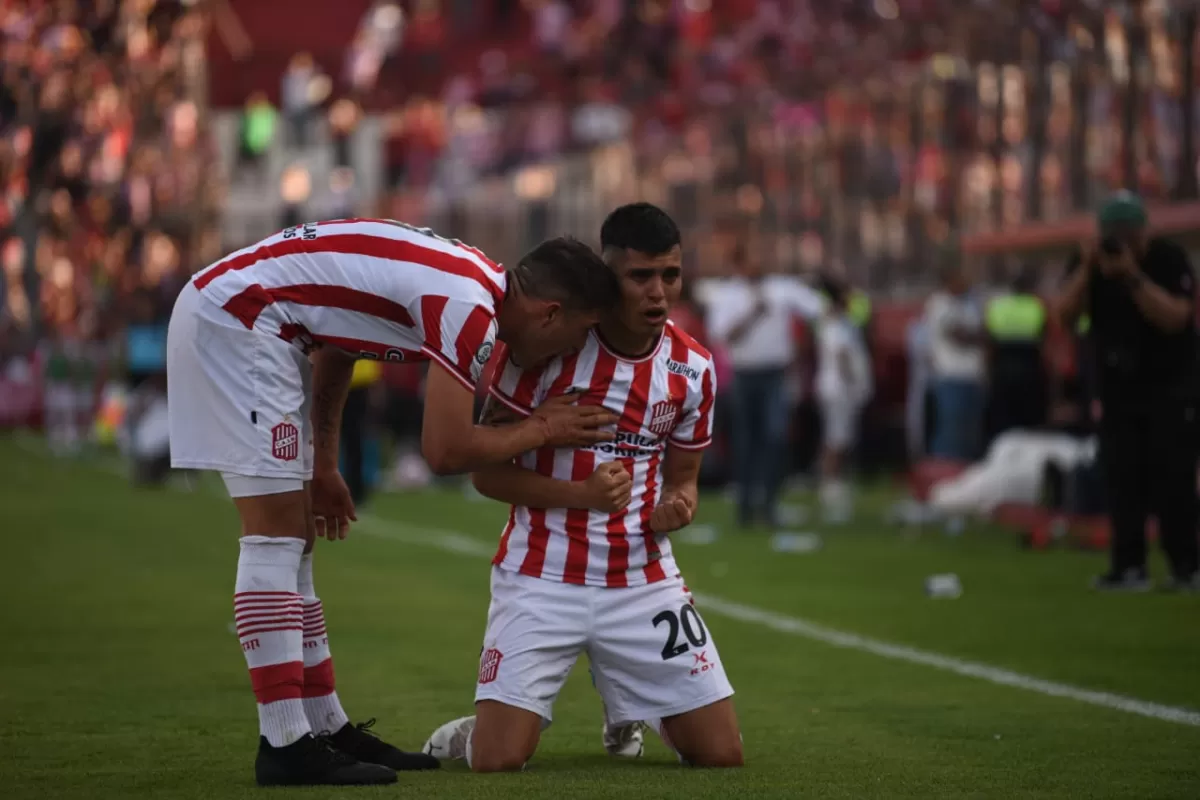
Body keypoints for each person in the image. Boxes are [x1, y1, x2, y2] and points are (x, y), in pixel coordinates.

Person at [166, 218, 621, 786]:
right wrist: (542, 430)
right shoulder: (471, 311)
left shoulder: (472, 283)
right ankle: (284, 742)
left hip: (251, 315)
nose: (572, 350)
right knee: (276, 534)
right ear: (550, 313)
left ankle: (323, 727)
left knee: (296, 537)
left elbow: (337, 344)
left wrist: (326, 463)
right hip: (241, 320)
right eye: (578, 335)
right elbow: (446, 450)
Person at [422, 203, 743, 770]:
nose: (658, 293)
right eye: (640, 277)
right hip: (541, 577)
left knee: (720, 755)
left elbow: (686, 480)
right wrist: (581, 495)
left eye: (670, 275)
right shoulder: (544, 349)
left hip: (641, 581)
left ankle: (632, 700)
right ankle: (475, 732)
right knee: (497, 761)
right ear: (607, 274)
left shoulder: (693, 369)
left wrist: (679, 506)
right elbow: (484, 472)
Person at [1055, 191, 1200, 592]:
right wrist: (1087, 270)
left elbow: (1176, 317)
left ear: (1143, 231)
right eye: (1113, 233)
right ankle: (1128, 565)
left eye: (1127, 233)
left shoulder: (1167, 260)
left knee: (1174, 478)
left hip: (1170, 384)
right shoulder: (1092, 261)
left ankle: (1186, 565)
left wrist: (1132, 276)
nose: (1121, 241)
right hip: (1117, 387)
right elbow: (1063, 316)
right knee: (1122, 479)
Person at [703, 241, 823, 527]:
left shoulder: (782, 288)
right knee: (744, 442)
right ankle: (744, 508)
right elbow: (721, 336)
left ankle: (769, 503)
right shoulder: (726, 294)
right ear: (740, 264)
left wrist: (806, 341)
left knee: (775, 437)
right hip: (744, 375)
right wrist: (753, 314)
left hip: (775, 373)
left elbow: (819, 309)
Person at [814, 277, 873, 523]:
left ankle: (834, 487)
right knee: (835, 440)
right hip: (839, 390)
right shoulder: (833, 326)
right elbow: (841, 356)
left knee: (841, 439)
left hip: (843, 390)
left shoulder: (845, 324)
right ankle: (830, 490)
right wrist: (851, 383)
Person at [924, 260, 986, 462]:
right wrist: (978, 336)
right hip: (951, 377)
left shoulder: (971, 301)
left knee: (970, 433)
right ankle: (943, 473)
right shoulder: (939, 303)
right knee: (951, 430)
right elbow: (957, 334)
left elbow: (983, 330)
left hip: (973, 377)